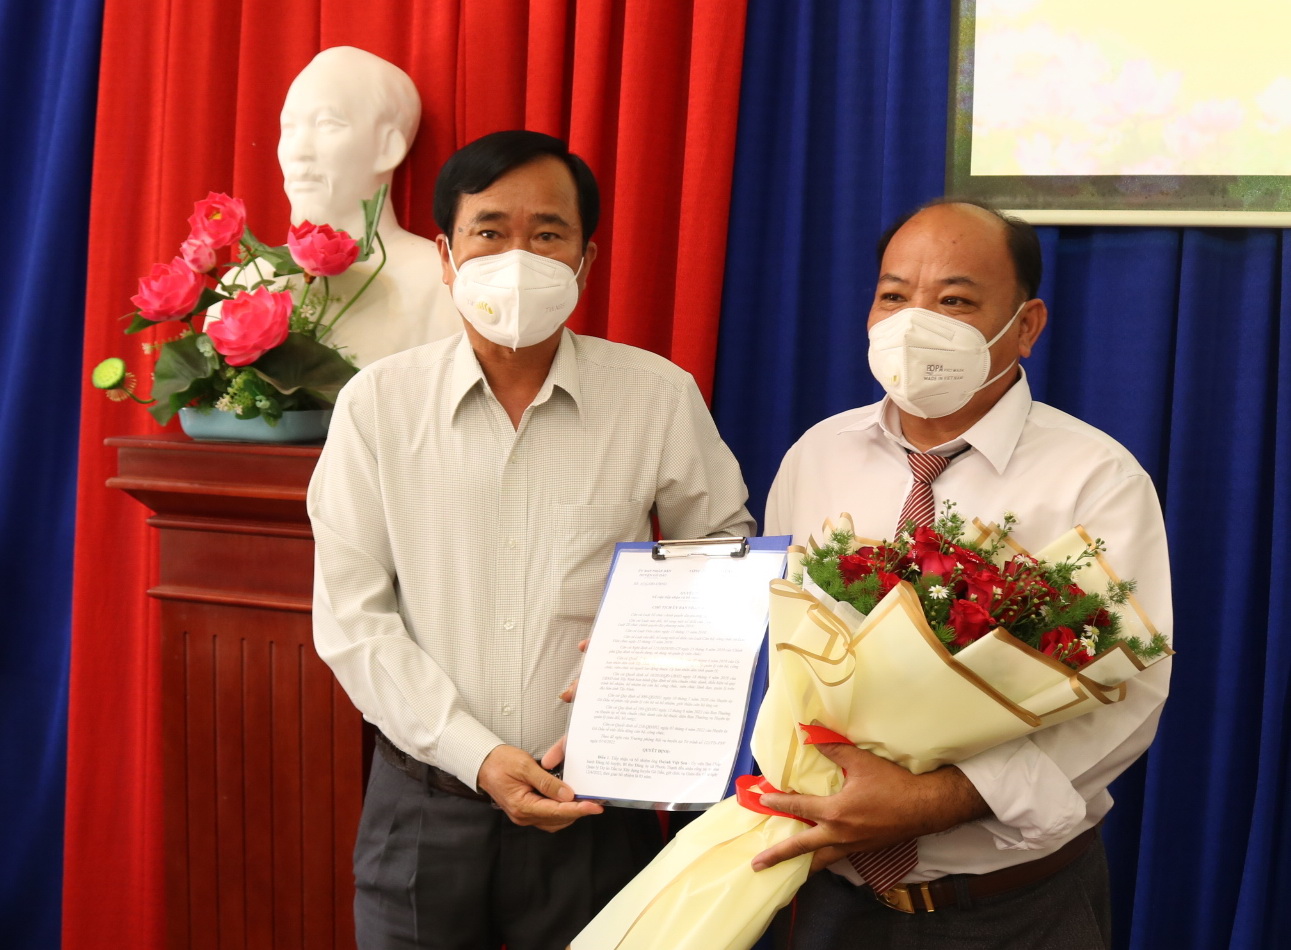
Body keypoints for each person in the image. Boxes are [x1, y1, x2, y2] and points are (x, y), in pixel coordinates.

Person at [307, 129, 755, 950]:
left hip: (598, 801)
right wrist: (476, 755)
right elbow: (353, 621)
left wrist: (641, 673)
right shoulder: (376, 406)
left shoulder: (655, 397)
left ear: (585, 261)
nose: (518, 257)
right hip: (425, 806)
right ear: (446, 256)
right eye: (489, 231)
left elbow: (721, 561)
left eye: (547, 234)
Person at [755, 200, 1172, 949]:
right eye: (893, 295)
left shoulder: (1095, 479)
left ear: (1026, 325)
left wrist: (935, 799)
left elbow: (1126, 699)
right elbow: (777, 644)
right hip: (826, 895)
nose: (915, 323)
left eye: (953, 301)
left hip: (1011, 908)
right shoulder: (816, 456)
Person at [276, 46, 459, 365]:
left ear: (389, 146)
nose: (298, 152)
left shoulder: (440, 283)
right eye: (288, 129)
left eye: (327, 124)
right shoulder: (248, 284)